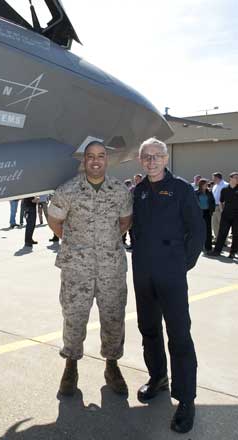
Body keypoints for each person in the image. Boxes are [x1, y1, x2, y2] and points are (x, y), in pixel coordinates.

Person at [47, 141, 132, 397]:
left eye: (101, 156)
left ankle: (112, 366)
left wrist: (104, 245)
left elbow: (125, 222)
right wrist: (78, 245)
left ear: (107, 160)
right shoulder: (67, 190)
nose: (96, 161)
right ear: (84, 161)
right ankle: (70, 366)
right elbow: (55, 222)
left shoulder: (119, 190)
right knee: (74, 318)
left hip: (111, 268)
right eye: (91, 156)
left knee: (114, 318)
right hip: (77, 269)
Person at [132, 138, 204, 434]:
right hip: (143, 273)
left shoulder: (181, 189)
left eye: (157, 156)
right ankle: (158, 377)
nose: (151, 161)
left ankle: (186, 399)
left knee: (179, 335)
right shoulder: (138, 192)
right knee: (148, 328)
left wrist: (181, 264)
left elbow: (197, 231)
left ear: (165, 158)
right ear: (141, 161)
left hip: (171, 273)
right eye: (146, 157)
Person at [210, 172, 238, 259]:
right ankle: (217, 251)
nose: (237, 179)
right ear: (231, 178)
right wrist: (222, 211)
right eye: (236, 177)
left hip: (236, 215)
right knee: (222, 233)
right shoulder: (225, 189)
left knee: (236, 234)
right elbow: (221, 201)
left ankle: (233, 252)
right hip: (226, 214)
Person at [195, 179, 216, 251]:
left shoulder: (209, 192)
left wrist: (212, 210)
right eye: (205, 184)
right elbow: (193, 203)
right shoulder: (196, 193)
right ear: (201, 184)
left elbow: (213, 202)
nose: (207, 185)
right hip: (199, 213)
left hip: (207, 213)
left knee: (208, 230)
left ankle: (208, 247)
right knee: (198, 230)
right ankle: (198, 245)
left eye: (207, 184)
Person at [211, 172, 229, 240]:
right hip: (214, 207)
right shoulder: (215, 186)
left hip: (221, 207)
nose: (213, 179)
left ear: (217, 178)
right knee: (215, 225)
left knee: (223, 225)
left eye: (214, 178)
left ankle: (224, 241)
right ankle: (217, 239)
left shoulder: (225, 185)